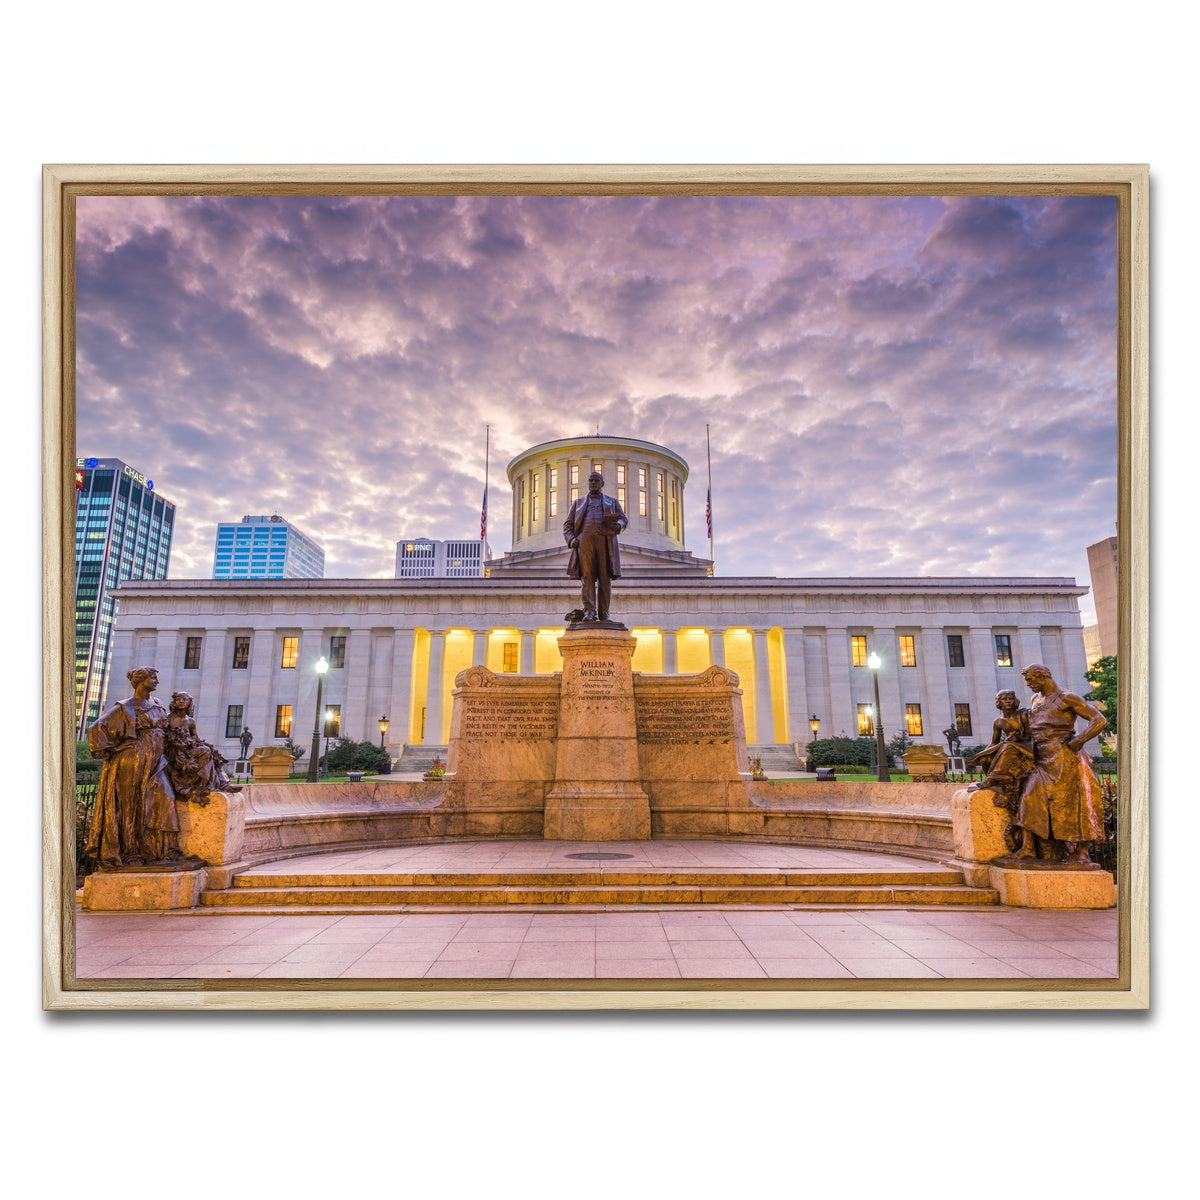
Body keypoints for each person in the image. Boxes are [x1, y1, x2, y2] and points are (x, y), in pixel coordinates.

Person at [84, 666, 182, 869]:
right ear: (140, 680)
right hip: (132, 760)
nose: (156, 681)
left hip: (156, 761)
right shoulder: (125, 707)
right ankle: (131, 853)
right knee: (131, 806)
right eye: (152, 678)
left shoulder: (157, 704)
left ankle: (156, 849)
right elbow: (96, 728)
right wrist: (114, 749)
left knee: (164, 798)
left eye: (156, 677)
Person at [1014, 663, 1107, 863]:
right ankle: (1028, 848)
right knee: (1029, 797)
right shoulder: (1035, 699)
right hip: (1041, 756)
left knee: (1076, 804)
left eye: (1031, 679)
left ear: (1043, 676)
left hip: (1064, 757)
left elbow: (1099, 720)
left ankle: (1082, 853)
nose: (1028, 684)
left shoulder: (1066, 697)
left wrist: (1079, 740)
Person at [967, 689, 1035, 851]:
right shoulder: (998, 722)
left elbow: (1034, 735)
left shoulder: (1024, 716)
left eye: (1011, 698)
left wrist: (1019, 738)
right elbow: (994, 742)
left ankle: (991, 779)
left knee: (1007, 746)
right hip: (1010, 747)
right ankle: (993, 778)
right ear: (999, 703)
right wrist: (984, 754)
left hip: (1026, 747)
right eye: (1004, 699)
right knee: (987, 757)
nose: (1009, 701)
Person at [562, 471, 628, 622]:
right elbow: (568, 525)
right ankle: (590, 611)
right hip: (584, 542)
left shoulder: (612, 502)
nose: (593, 483)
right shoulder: (578, 503)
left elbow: (623, 519)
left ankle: (604, 613)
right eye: (590, 480)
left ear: (602, 484)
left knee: (605, 579)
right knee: (588, 577)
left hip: (605, 542)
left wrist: (619, 525)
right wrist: (572, 540)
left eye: (596, 480)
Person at [164, 691, 230, 802]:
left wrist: (194, 743)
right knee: (205, 752)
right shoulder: (168, 719)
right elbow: (164, 738)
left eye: (184, 699)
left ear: (189, 703)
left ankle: (216, 784)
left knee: (211, 754)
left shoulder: (190, 721)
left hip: (188, 750)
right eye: (178, 699)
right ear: (174, 702)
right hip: (175, 752)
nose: (180, 701)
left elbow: (196, 738)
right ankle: (210, 785)